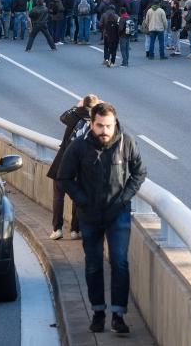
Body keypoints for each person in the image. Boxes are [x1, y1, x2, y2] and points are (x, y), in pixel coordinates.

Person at [57, 102, 147, 335]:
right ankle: (98, 312)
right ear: (92, 124)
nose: (104, 131)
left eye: (108, 126)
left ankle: (118, 315)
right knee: (94, 264)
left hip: (118, 215)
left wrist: (123, 199)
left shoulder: (127, 143)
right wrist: (82, 200)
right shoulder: (79, 147)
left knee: (119, 262)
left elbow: (139, 172)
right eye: (100, 126)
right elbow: (64, 177)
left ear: (114, 123)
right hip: (89, 216)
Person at [46, 94, 99, 240]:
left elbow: (62, 117)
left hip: (63, 163)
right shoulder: (96, 121)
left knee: (58, 197)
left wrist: (77, 106)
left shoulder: (75, 115)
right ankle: (75, 230)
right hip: (80, 166)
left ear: (83, 104)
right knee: (77, 197)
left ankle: (57, 229)